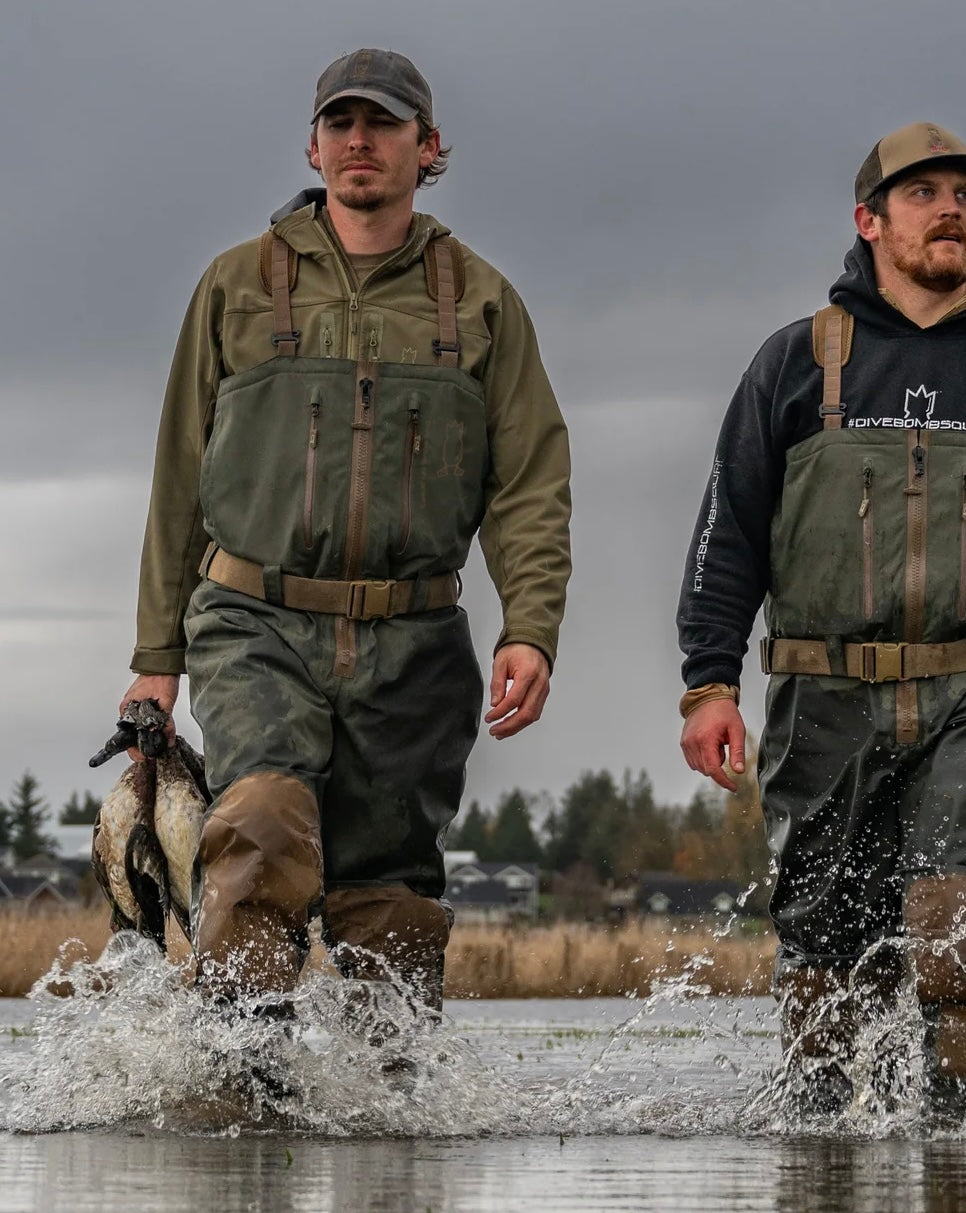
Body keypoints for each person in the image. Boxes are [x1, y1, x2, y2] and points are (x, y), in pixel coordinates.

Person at [676, 122, 966, 1117]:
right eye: (922, 193)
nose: (949, 208)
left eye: (963, 192)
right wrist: (709, 681)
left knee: (964, 917)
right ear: (868, 220)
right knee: (828, 950)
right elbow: (726, 538)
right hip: (821, 697)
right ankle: (823, 1139)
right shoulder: (795, 363)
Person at [121, 48, 571, 1018]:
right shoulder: (236, 284)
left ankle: (389, 1106)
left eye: (384, 123)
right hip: (253, 617)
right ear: (315, 145)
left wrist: (531, 626)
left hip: (416, 641)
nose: (360, 140)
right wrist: (156, 656)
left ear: (428, 146)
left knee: (394, 892)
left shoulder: (483, 302)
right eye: (342, 124)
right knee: (262, 822)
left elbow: (532, 481)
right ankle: (239, 1070)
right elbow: (177, 479)